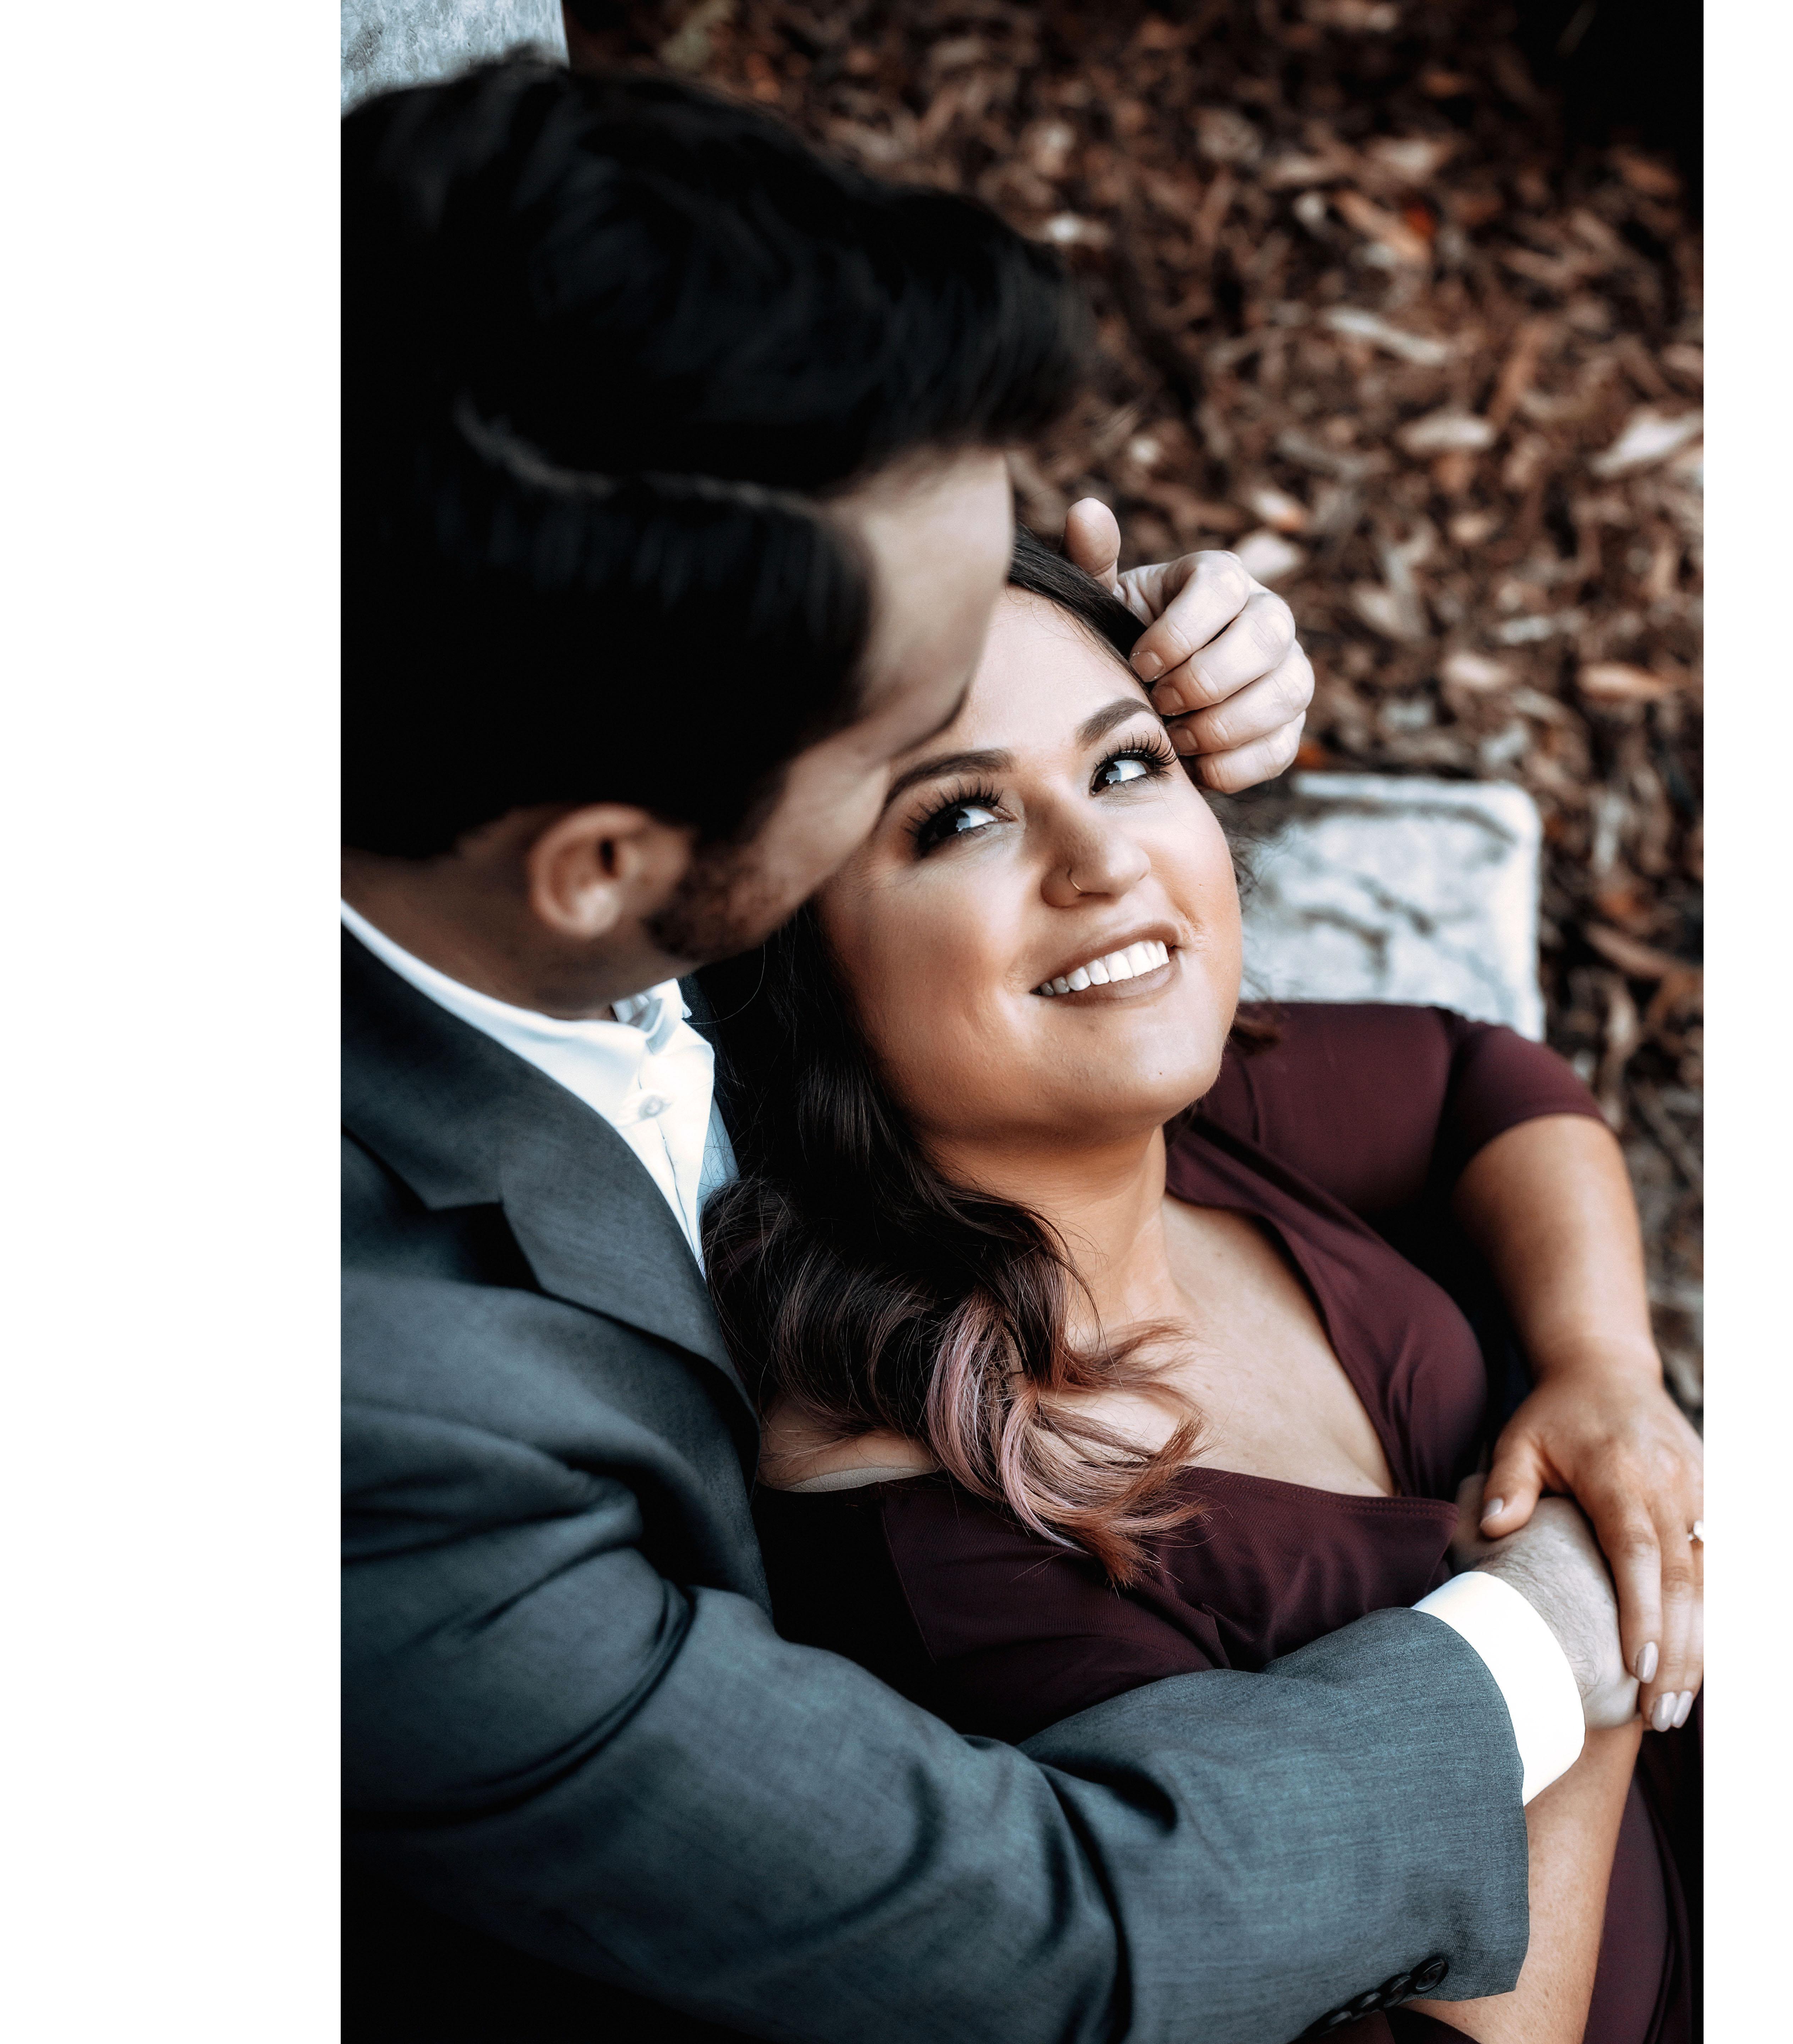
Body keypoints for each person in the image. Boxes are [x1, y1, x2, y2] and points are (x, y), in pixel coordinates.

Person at [342, 58, 1674, 2043]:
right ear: (621, 863)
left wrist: (1097, 681)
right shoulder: (378, 1438)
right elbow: (1042, 1931)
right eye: (920, 768)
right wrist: (1569, 1644)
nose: (1106, 805)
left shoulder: (463, 706)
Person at [707, 529, 1703, 2044]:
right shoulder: (958, 1556)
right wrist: (1587, 1620)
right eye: (964, 816)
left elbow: (1481, 1087)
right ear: (800, 960)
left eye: (1124, 767)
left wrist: (1605, 1369)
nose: (1105, 861)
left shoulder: (1168, 1119)